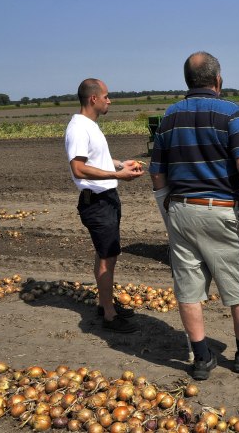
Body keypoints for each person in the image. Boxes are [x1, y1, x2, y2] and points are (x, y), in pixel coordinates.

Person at [149, 52, 239, 380]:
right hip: (222, 211)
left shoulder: (169, 117)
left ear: (188, 81)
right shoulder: (231, 112)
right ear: (218, 80)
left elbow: (157, 172)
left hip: (181, 210)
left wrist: (167, 209)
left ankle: (201, 358)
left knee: (188, 285)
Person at [64, 78, 145, 333]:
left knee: (105, 254)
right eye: (107, 96)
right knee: (107, 259)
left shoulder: (90, 126)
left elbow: (97, 159)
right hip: (97, 203)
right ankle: (109, 316)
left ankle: (104, 303)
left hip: (106, 199)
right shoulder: (78, 128)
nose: (110, 100)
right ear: (93, 99)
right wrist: (118, 176)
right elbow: (78, 168)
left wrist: (120, 164)